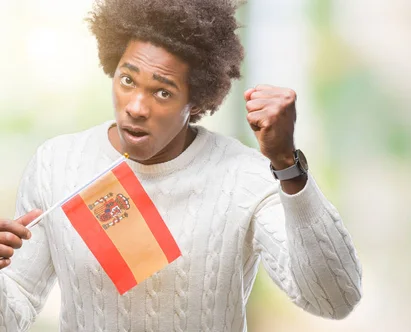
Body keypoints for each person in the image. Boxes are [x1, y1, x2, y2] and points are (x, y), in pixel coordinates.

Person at [0, 0, 362, 331]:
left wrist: (286, 165)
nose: (137, 107)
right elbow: (13, 310)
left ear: (196, 98)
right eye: (127, 80)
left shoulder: (243, 176)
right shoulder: (57, 164)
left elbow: (334, 300)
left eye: (162, 91)